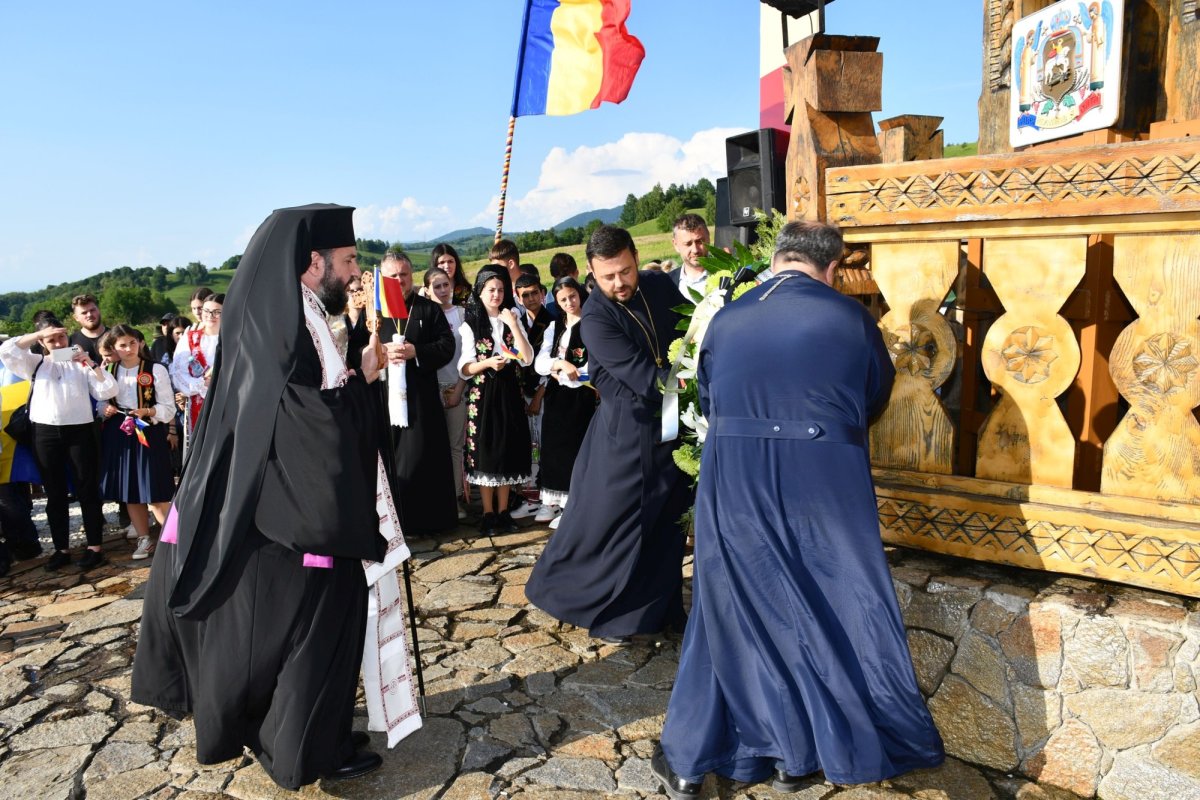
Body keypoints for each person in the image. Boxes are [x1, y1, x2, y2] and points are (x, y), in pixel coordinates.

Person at [652, 222, 945, 799]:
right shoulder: (851, 319)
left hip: (736, 478)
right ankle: (801, 754)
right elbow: (873, 397)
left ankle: (707, 757)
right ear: (831, 268)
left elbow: (708, 398)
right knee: (829, 602)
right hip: (824, 480)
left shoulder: (726, 319)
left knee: (730, 609)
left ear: (777, 260)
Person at [132, 204, 419, 789]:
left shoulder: (295, 312)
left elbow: (314, 395)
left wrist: (357, 374)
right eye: (347, 261)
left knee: (317, 628)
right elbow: (307, 420)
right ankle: (307, 750)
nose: (355, 273)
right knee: (309, 633)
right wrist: (360, 386)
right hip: (288, 522)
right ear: (313, 262)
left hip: (287, 509)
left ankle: (325, 733)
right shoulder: (283, 325)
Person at [525, 225, 691, 643]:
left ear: (636, 258)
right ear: (591, 272)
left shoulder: (658, 285)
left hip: (672, 433)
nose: (619, 283)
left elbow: (689, 330)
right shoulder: (596, 318)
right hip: (626, 439)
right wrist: (697, 383)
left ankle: (662, 612)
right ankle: (613, 615)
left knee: (668, 524)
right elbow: (643, 378)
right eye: (608, 276)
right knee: (617, 530)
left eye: (626, 271)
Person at [0, 312, 117, 570]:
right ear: (42, 342)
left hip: (80, 431)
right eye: (51, 339)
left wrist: (91, 363)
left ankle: (94, 547)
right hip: (45, 433)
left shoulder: (81, 363)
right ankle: (61, 549)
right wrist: (39, 334)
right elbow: (7, 350)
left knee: (87, 489)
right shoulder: (34, 363)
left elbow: (108, 390)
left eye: (61, 337)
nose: (58, 343)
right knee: (54, 493)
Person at [376, 251, 458, 536]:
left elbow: (447, 346)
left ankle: (430, 521)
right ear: (384, 279)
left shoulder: (428, 309)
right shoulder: (375, 313)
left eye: (404, 274)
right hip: (384, 398)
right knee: (392, 459)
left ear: (412, 275)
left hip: (421, 399)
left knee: (425, 457)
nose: (399, 280)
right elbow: (357, 348)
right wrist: (382, 351)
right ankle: (395, 523)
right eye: (393, 276)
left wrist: (417, 351)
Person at [457, 266, 534, 535]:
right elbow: (464, 368)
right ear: (480, 292)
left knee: (507, 449)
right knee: (486, 451)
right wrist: (488, 363)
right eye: (491, 290)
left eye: (500, 290)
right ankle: (488, 513)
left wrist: (512, 324)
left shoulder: (513, 318)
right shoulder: (470, 324)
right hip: (484, 393)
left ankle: (503, 511)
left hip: (510, 392)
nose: (496, 295)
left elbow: (527, 358)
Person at [98, 325, 175, 561]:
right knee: (130, 489)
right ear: (113, 348)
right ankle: (144, 539)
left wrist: (148, 411)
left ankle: (175, 539)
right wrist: (105, 409)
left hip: (148, 431)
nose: (129, 348)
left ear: (140, 343)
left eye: (132, 343)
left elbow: (168, 407)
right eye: (122, 345)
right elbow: (99, 401)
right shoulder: (108, 370)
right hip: (120, 432)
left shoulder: (155, 369)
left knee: (156, 489)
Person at [533, 276, 596, 529]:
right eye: (563, 299)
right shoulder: (554, 326)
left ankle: (573, 504)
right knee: (553, 447)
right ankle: (551, 500)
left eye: (572, 296)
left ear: (580, 295)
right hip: (557, 394)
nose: (569, 302)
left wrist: (575, 370)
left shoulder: (591, 323)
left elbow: (595, 362)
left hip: (582, 394)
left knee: (574, 448)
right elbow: (540, 362)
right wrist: (559, 363)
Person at [424, 267, 469, 518]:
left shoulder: (462, 315)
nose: (442, 290)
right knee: (432, 446)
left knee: (455, 447)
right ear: (427, 289)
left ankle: (455, 500)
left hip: (456, 387)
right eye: (436, 286)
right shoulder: (423, 316)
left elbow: (469, 355)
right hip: (430, 389)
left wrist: (459, 388)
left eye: (445, 285)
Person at [170, 293, 222, 456]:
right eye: (206, 311)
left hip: (228, 399)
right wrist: (200, 384)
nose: (210, 316)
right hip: (198, 402)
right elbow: (178, 372)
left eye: (217, 312)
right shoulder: (190, 338)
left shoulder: (235, 338)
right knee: (203, 448)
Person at [667, 214, 711, 302]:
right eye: (688, 244)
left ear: (708, 238)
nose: (695, 250)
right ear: (675, 244)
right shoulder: (667, 283)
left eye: (699, 241)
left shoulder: (728, 275)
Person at [68, 293, 109, 365]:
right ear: (76, 317)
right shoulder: (71, 342)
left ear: (99, 310)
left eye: (92, 310)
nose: (89, 315)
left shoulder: (116, 336)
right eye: (84, 313)